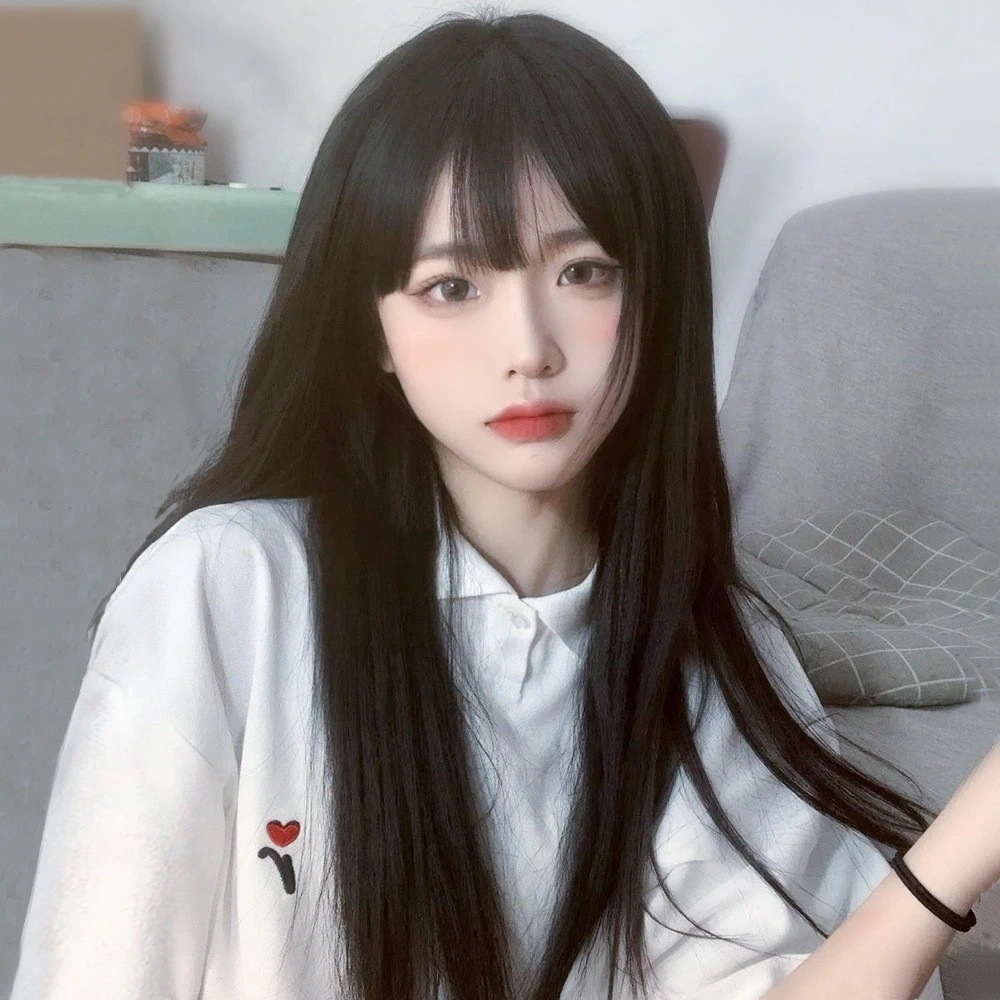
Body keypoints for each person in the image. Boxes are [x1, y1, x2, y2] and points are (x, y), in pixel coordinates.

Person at [10, 8, 999, 1000]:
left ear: (656, 299)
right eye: (452, 287)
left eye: (584, 272)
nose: (529, 346)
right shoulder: (227, 590)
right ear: (372, 329)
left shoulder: (709, 661)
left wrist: (970, 835)